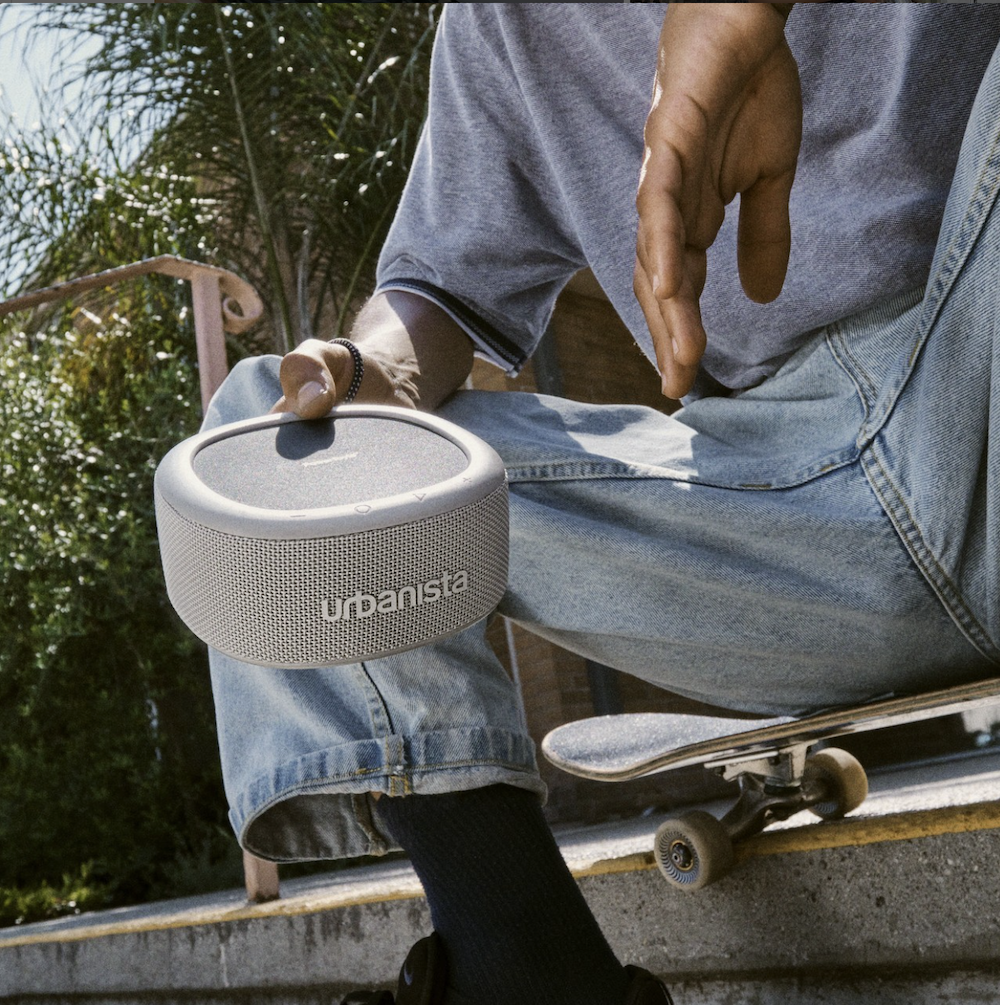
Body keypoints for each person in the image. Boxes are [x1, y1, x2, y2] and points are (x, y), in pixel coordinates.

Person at [201, 5, 1000, 1003]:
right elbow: (438, 292)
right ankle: (522, 969)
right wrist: (374, 373)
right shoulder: (502, 26)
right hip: (780, 505)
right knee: (272, 442)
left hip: (976, 362)